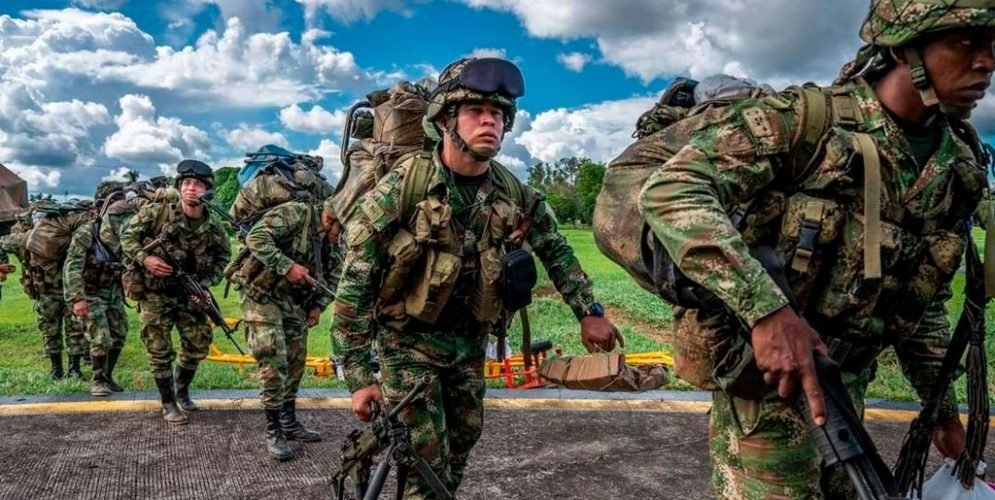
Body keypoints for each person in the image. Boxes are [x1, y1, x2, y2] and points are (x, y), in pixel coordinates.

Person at [636, 1, 995, 497]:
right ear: (904, 45)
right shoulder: (805, 120)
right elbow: (672, 189)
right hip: (765, 388)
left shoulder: (956, 163)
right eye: (965, 41)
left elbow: (923, 296)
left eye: (992, 45)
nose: (987, 62)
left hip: (845, 388)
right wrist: (768, 312)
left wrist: (943, 411)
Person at [332, 56, 620, 498]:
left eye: (499, 115)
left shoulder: (512, 191)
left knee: (459, 450)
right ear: (447, 121)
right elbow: (355, 278)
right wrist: (357, 374)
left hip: (469, 344)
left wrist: (589, 312)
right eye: (476, 112)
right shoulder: (404, 187)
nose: (490, 121)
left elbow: (556, 249)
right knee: (425, 465)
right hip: (407, 345)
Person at [120, 160, 231, 425]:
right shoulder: (156, 213)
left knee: (197, 344)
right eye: (186, 184)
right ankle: (168, 402)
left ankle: (181, 390)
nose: (191, 189)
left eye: (198, 184)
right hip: (155, 292)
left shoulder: (213, 226)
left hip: (189, 293)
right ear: (179, 187)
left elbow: (223, 256)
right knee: (158, 348)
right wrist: (145, 259)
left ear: (208, 190)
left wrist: (204, 283)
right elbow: (127, 238)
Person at [228, 196, 333, 460]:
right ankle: (273, 429)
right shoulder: (296, 213)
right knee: (274, 361)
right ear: (330, 218)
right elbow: (256, 238)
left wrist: (318, 305)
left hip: (293, 300)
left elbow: (335, 273)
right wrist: (287, 266)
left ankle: (289, 421)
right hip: (259, 295)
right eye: (339, 229)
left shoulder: (334, 240)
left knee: (296, 361)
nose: (340, 237)